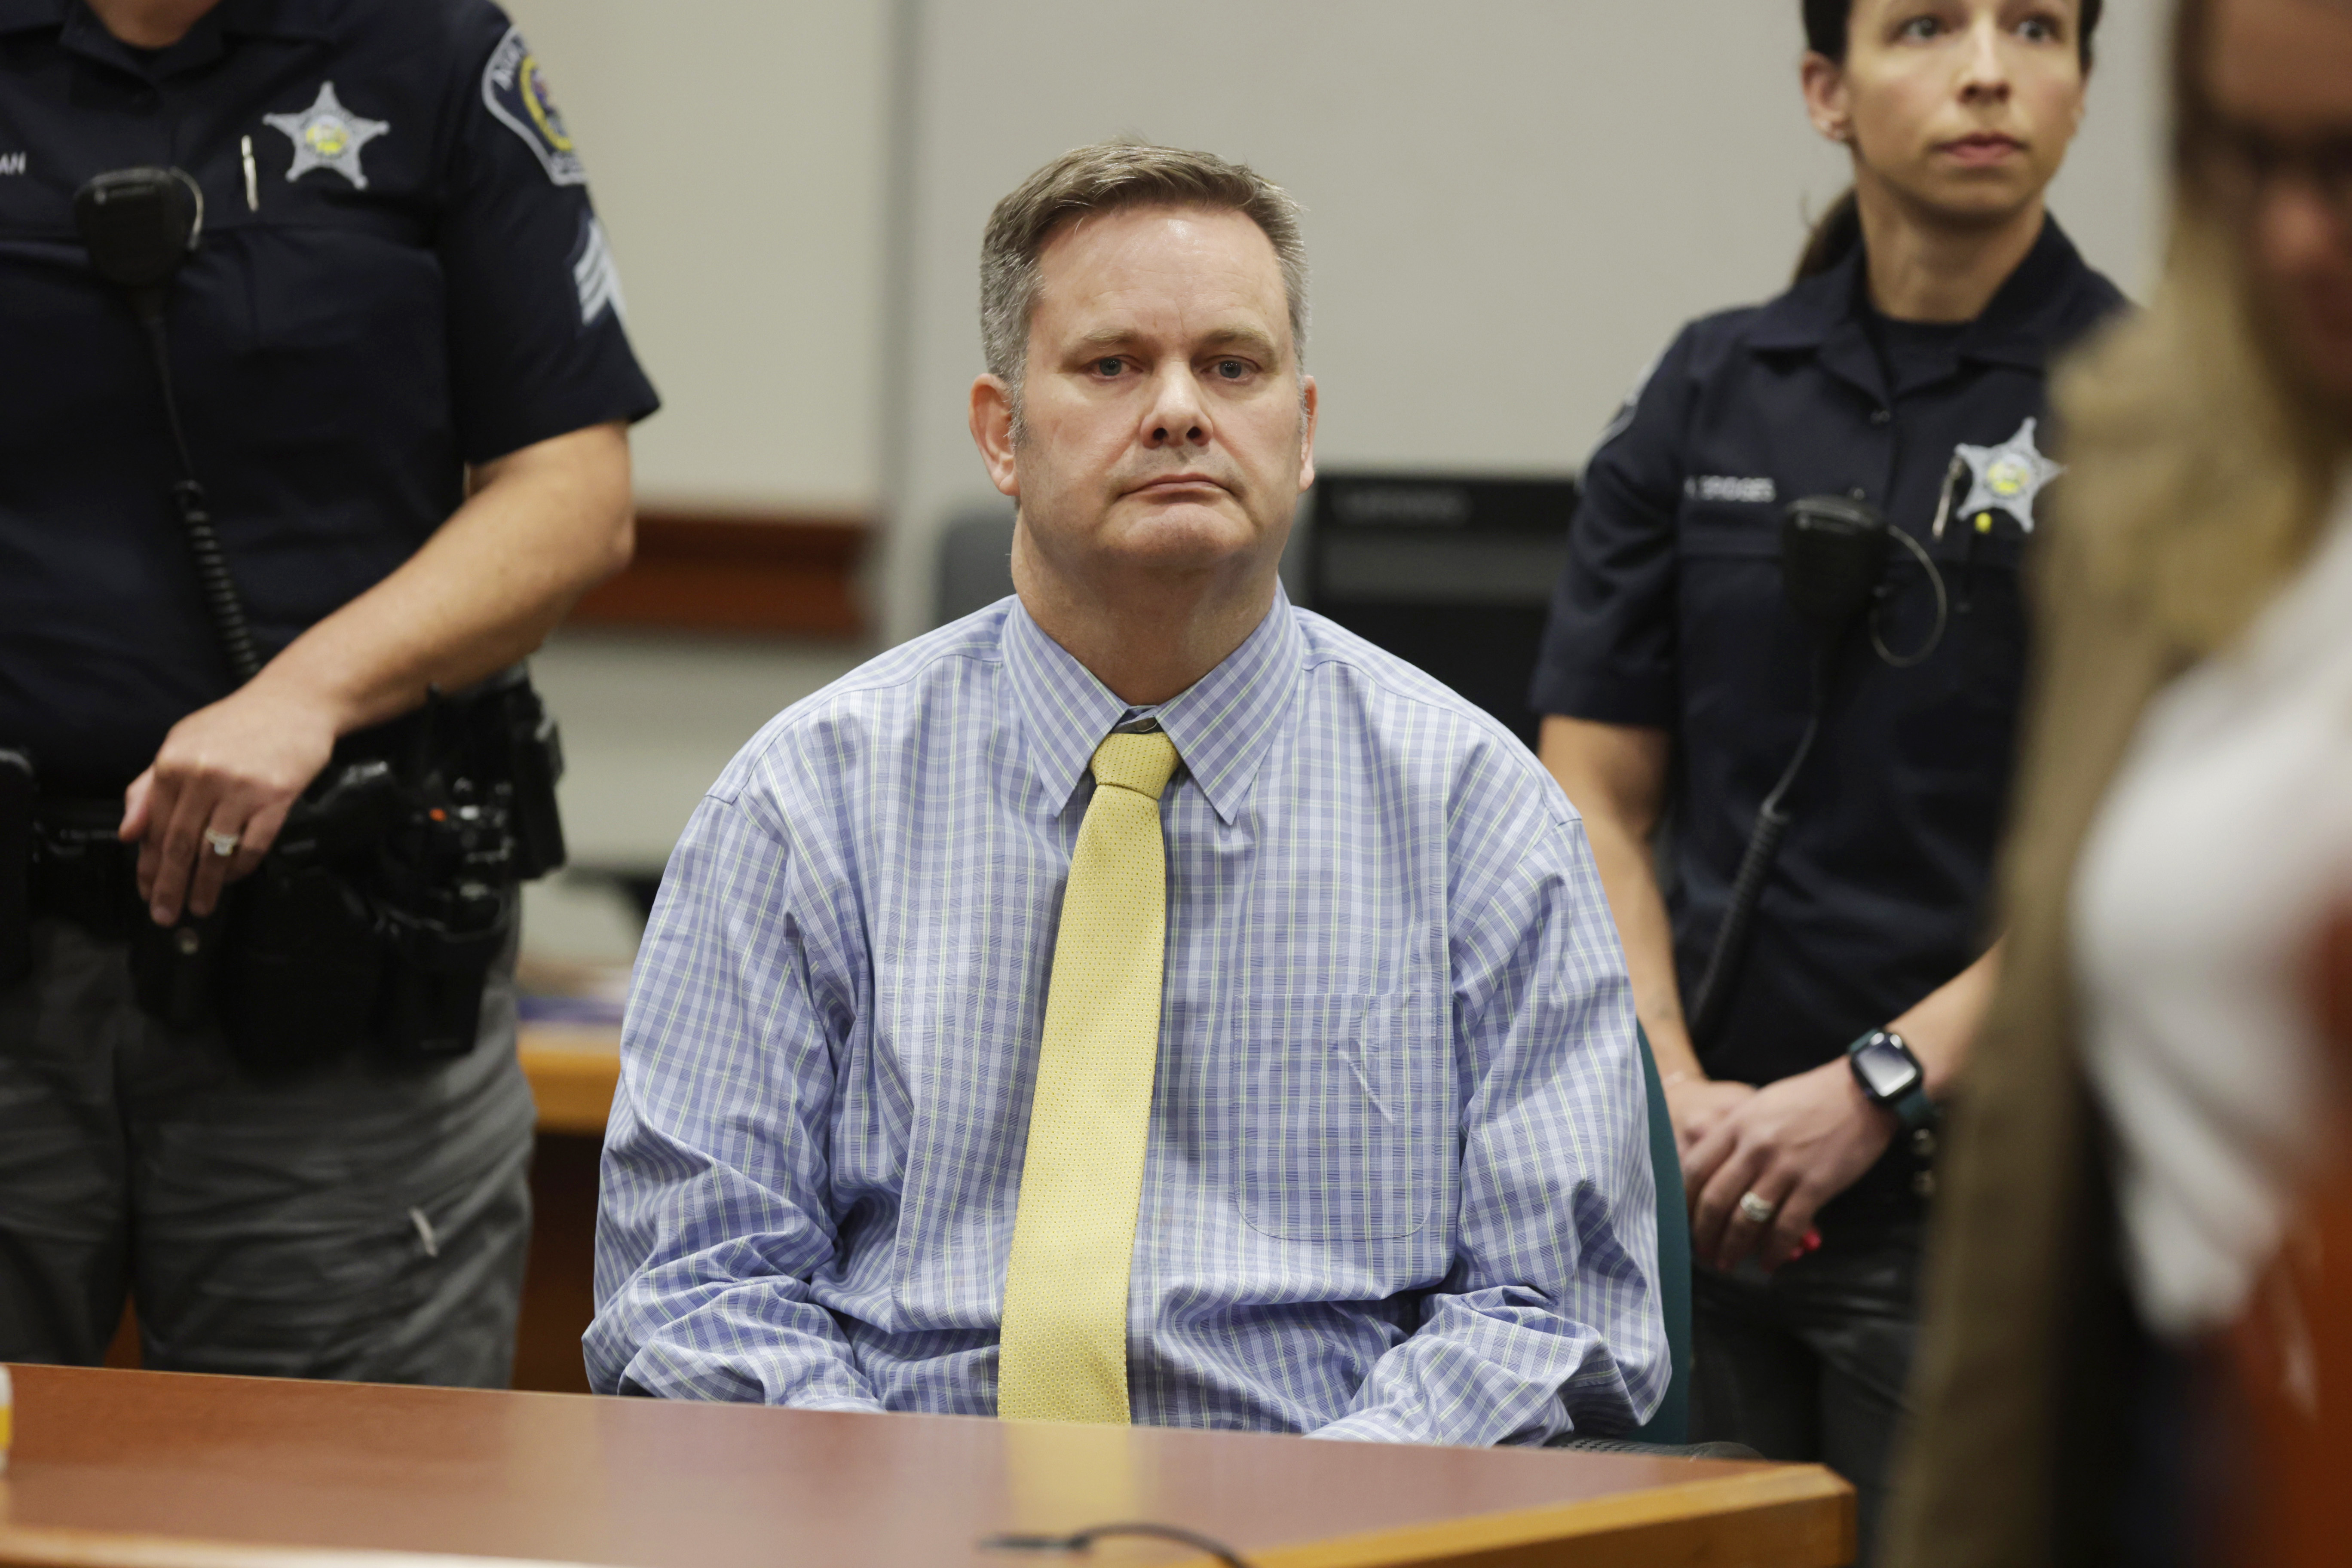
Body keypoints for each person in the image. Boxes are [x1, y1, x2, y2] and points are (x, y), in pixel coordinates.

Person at [588, 141, 1664, 1444]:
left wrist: (1309, 1535)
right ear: (1001, 432)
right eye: (1112, 366)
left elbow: (1558, 1314)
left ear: (1302, 428)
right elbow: (694, 1289)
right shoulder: (803, 803)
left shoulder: (1479, 818)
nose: (1177, 411)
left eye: (1232, 366)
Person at [1526, 0, 2119, 1552]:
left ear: (2082, 88)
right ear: (1824, 91)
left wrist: (1874, 1090)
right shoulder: (1711, 386)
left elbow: (2141, 846)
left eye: (2039, 28)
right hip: (1695, 1191)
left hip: (1976, 1214)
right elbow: (1593, 779)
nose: (1989, 68)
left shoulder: (2158, 408)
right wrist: (1669, 1092)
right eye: (1928, 25)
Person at [0, 0, 658, 1384]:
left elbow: (574, 494)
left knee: (331, 1516)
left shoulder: (428, 54)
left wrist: (303, 694)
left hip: (325, 970)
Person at [1889, 0, 2352, 1562]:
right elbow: (2038, 1139)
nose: (2294, 236)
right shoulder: (2151, 453)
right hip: (2184, 1452)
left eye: (2350, 164)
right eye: (2246, 159)